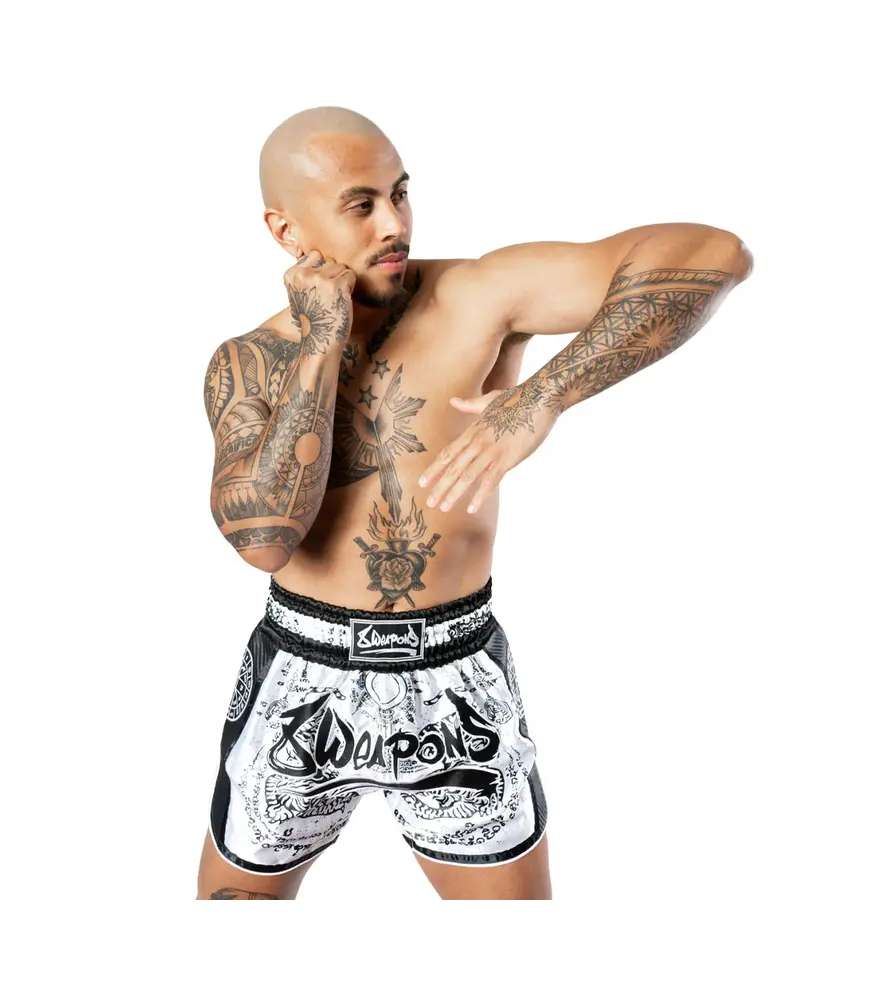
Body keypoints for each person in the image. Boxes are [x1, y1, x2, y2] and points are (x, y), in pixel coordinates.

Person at [197, 105, 754, 900]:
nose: (394, 223)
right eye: (360, 205)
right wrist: (323, 339)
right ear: (286, 230)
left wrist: (544, 395)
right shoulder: (250, 361)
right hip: (301, 677)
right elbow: (263, 540)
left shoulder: (475, 294)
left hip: (453, 673)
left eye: (401, 193)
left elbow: (716, 253)